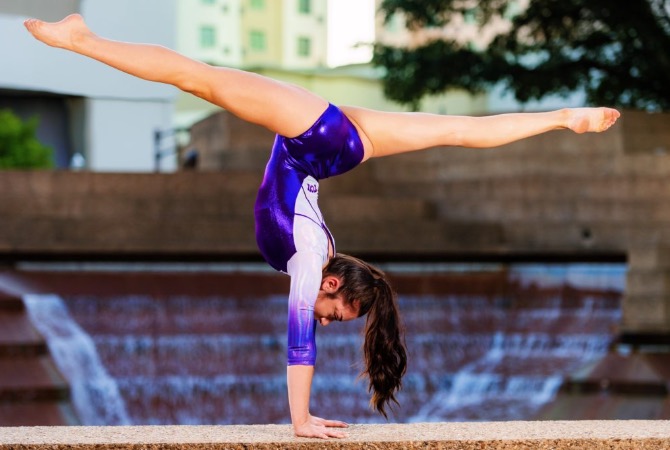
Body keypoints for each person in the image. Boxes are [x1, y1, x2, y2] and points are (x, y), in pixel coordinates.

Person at [24, 14, 620, 439]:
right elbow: (298, 343)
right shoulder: (310, 257)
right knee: (194, 78)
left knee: (457, 130)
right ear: (333, 286)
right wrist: (300, 419)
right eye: (335, 313)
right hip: (315, 138)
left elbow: (313, 318)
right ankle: (82, 39)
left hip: (336, 146)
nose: (323, 318)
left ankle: (567, 115)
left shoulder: (318, 254)